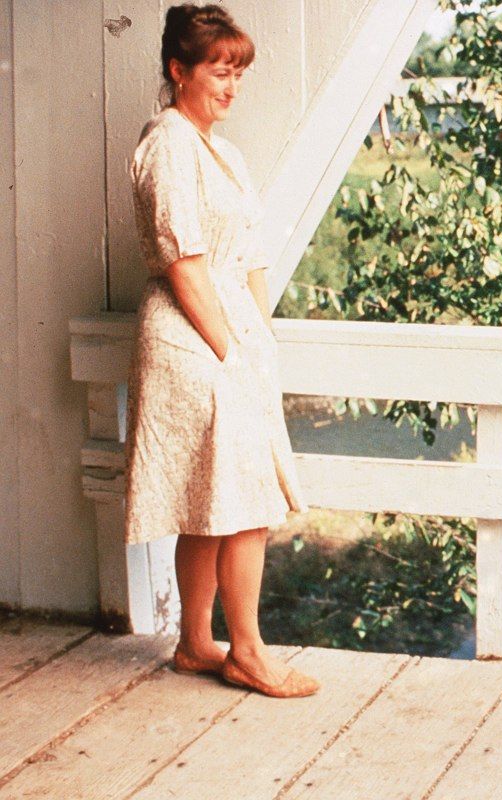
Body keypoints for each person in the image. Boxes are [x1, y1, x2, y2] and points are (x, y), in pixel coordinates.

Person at [125, 4, 318, 699]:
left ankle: (194, 642)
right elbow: (184, 263)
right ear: (179, 70)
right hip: (192, 333)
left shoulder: (222, 152)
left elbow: (252, 255)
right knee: (242, 497)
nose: (233, 85)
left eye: (239, 72)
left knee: (216, 490)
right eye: (219, 70)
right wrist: (229, 352)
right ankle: (248, 652)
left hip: (228, 330)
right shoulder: (169, 142)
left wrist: (259, 340)